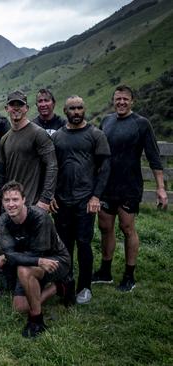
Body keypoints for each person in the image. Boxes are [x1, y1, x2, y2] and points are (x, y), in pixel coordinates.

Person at [92, 85, 168, 292]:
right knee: (105, 228)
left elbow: (154, 157)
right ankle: (105, 271)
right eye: (118, 99)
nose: (121, 102)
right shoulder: (106, 121)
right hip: (107, 186)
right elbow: (97, 153)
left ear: (132, 101)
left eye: (125, 99)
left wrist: (160, 188)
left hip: (130, 187)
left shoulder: (141, 124)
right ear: (113, 100)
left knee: (127, 229)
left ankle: (129, 275)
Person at [51, 96, 111, 304]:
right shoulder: (57, 136)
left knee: (84, 243)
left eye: (79, 108)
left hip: (85, 199)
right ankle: (66, 284)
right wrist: (50, 195)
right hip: (61, 200)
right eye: (72, 108)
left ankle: (85, 287)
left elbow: (105, 168)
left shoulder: (95, 134)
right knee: (64, 245)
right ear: (65, 111)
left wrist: (96, 196)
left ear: (84, 109)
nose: (76, 112)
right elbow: (52, 168)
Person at [0, 181, 70, 338]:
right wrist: (8, 256)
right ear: (2, 203)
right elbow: (10, 255)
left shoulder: (39, 217)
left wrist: (15, 257)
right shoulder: (3, 221)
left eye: (15, 199)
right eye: (7, 200)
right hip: (35, 260)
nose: (11, 204)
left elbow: (36, 255)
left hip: (56, 259)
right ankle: (60, 286)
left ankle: (36, 320)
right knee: (19, 307)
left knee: (24, 270)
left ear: (24, 200)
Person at [0, 91, 57, 217]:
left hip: (33, 205)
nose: (16, 108)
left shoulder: (38, 134)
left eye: (20, 105)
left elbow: (52, 166)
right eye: (12, 105)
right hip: (11, 206)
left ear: (26, 108)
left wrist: (45, 199)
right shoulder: (4, 139)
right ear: (7, 108)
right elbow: (0, 173)